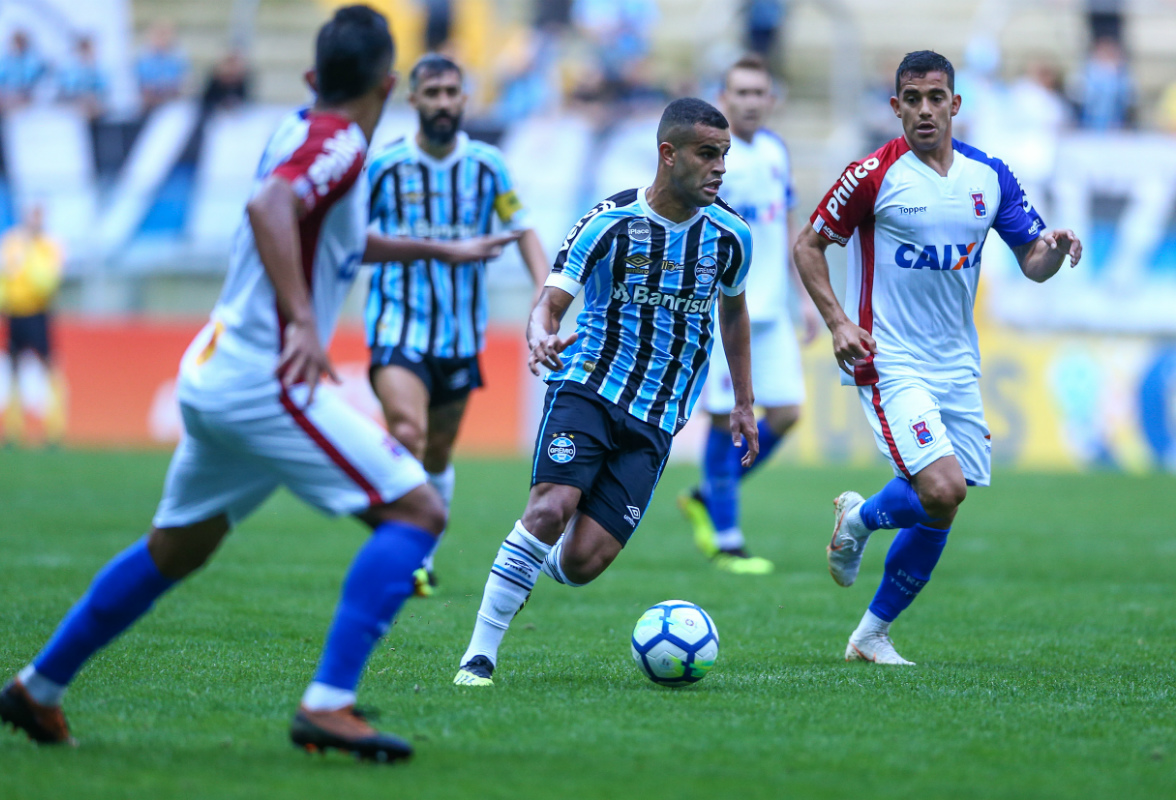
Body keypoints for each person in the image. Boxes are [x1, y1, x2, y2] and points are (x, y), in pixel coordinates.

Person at [0, 6, 516, 761]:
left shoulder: (298, 128)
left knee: (177, 548)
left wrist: (439, 250)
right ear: (389, 86)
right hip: (267, 376)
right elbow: (269, 206)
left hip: (218, 365)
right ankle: (328, 705)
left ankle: (37, 688)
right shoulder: (342, 144)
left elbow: (331, 234)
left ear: (312, 76)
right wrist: (303, 320)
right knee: (418, 510)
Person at [453, 97, 760, 687]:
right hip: (589, 386)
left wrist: (744, 402)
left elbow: (734, 313)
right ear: (668, 154)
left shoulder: (731, 236)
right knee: (550, 507)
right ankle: (479, 655)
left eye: (724, 155)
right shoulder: (607, 222)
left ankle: (527, 559)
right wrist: (540, 334)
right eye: (707, 154)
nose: (720, 167)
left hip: (659, 413)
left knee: (583, 561)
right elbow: (550, 302)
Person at [792, 50, 1081, 665]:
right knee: (941, 487)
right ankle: (861, 534)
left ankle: (869, 625)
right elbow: (809, 245)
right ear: (895, 107)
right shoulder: (871, 175)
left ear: (955, 103)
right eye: (912, 99)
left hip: (958, 363)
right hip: (890, 357)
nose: (925, 110)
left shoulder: (989, 175)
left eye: (936, 97)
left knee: (947, 499)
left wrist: (1054, 248)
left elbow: (1033, 262)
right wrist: (839, 322)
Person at [365, 53, 551, 597]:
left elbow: (522, 229)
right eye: (433, 93)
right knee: (407, 433)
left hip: (460, 333)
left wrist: (544, 298)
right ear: (413, 100)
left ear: (465, 99)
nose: (443, 103)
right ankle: (401, 553)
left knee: (438, 452)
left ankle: (421, 553)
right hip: (397, 323)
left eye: (451, 93)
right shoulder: (386, 166)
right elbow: (348, 238)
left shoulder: (488, 166)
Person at [677, 54, 817, 575]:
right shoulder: (713, 156)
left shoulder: (776, 150)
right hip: (724, 309)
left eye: (759, 92)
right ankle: (727, 540)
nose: (751, 101)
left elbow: (787, 224)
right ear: (724, 97)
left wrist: (804, 297)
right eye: (742, 92)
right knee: (724, 418)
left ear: (771, 99)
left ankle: (707, 495)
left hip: (773, 308)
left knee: (787, 413)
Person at [0, 204, 66, 447]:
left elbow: (47, 283)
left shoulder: (49, 245)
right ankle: (12, 432)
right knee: (12, 370)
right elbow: (1, 277)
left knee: (49, 368)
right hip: (13, 314)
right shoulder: (10, 242)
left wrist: (29, 254)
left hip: (38, 313)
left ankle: (54, 432)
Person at [135, 21, 188, 111]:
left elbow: (182, 84)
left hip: (172, 103)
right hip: (148, 104)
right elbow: (142, 85)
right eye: (159, 35)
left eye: (165, 35)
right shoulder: (143, 58)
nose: (162, 39)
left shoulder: (178, 58)